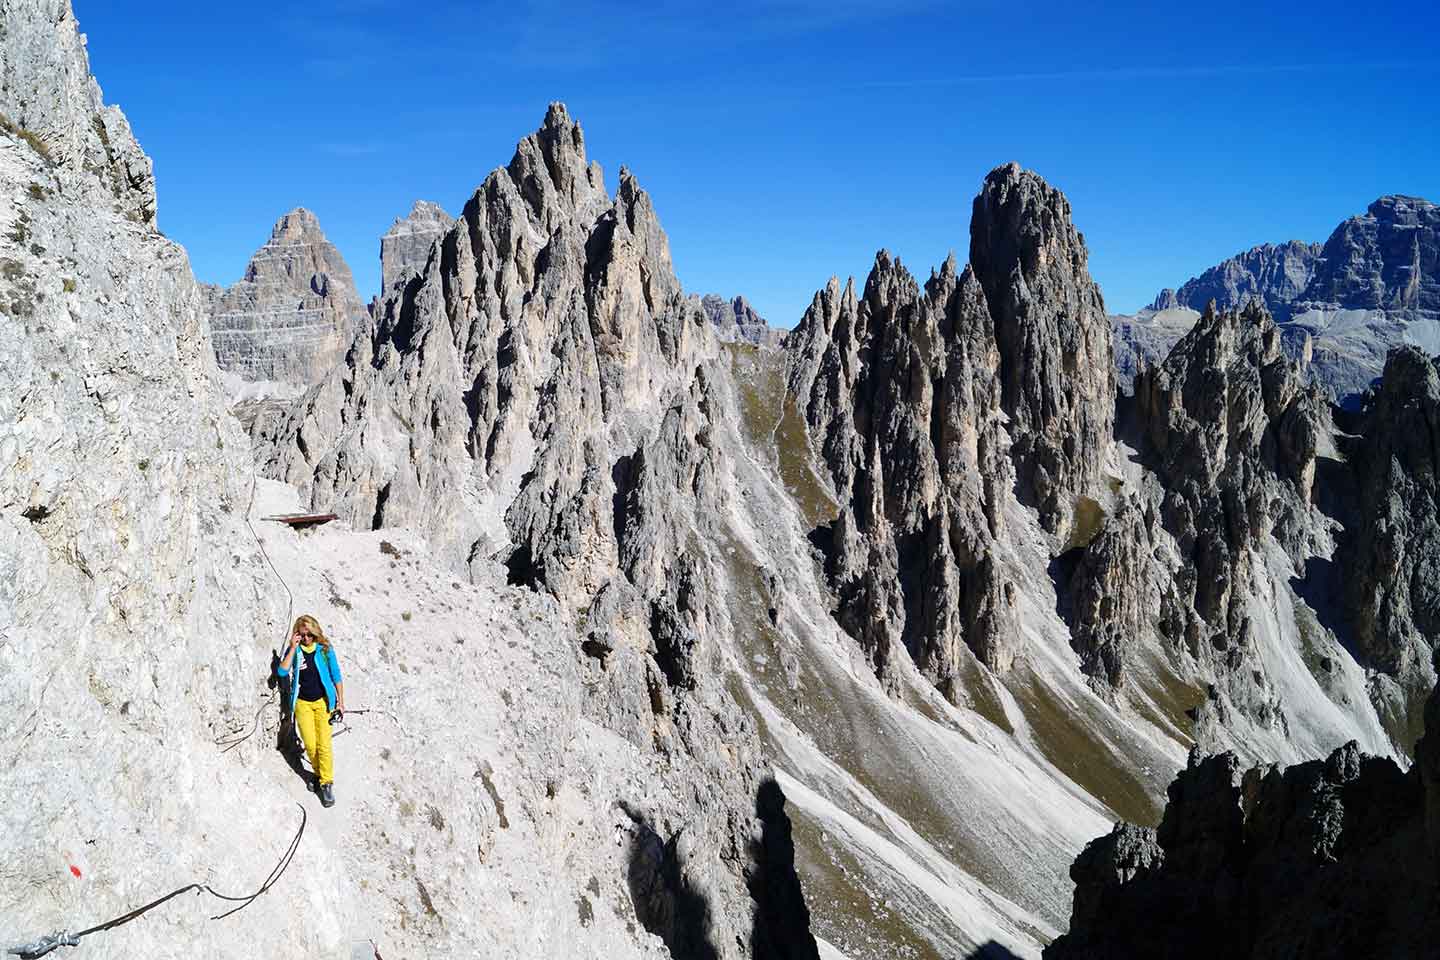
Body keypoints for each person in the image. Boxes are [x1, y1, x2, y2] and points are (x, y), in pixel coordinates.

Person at [277, 614, 345, 808]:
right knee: (311, 744)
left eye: (310, 635)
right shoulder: (296, 651)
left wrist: (341, 702)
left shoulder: (324, 649)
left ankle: (326, 783)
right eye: (303, 635)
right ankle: (318, 773)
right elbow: (282, 672)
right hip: (302, 704)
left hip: (323, 703)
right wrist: (292, 647)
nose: (307, 639)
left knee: (324, 744)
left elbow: (336, 676)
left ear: (315, 633)